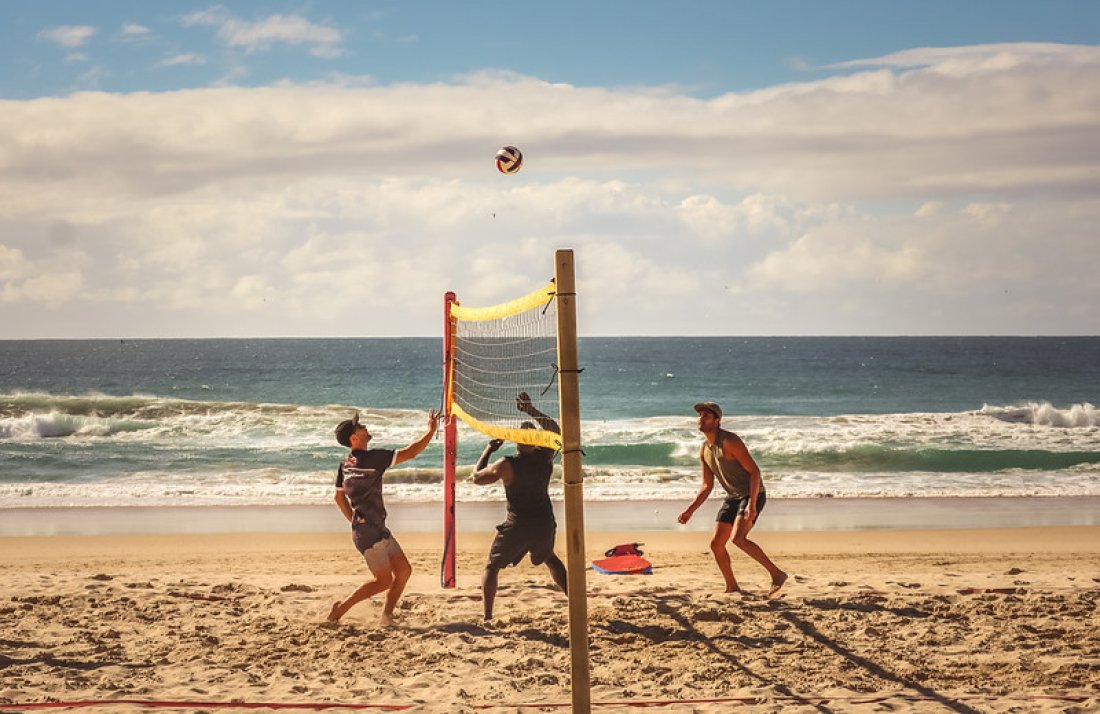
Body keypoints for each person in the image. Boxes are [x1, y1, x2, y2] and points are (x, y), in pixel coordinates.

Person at [328, 408, 438, 625]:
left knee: (404, 571)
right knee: (383, 581)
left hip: (372, 528)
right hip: (369, 532)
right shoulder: (374, 458)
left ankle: (386, 617)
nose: (364, 427)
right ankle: (340, 609)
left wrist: (354, 520)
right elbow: (412, 452)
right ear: (354, 437)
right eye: (360, 427)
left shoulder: (345, 464)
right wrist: (431, 430)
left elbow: (338, 498)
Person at [471, 392, 568, 620]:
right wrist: (531, 410)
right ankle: (573, 600)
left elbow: (477, 477)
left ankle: (487, 617)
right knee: (550, 558)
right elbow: (555, 430)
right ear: (536, 441)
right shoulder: (545, 456)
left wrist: (488, 450)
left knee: (492, 567)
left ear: (516, 441)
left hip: (518, 526)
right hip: (544, 523)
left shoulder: (507, 464)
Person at [678, 401, 788, 597]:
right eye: (699, 416)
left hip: (752, 493)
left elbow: (755, 472)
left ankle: (777, 574)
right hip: (733, 496)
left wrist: (752, 505)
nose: (700, 419)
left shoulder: (729, 441)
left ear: (717, 421)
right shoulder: (704, 449)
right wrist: (690, 510)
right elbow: (707, 485)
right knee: (716, 544)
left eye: (706, 416)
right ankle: (732, 586)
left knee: (738, 538)